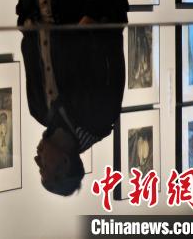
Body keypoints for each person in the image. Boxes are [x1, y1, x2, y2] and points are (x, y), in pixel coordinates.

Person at [22, 27, 125, 196]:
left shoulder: (39, 110)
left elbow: (29, 45)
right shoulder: (101, 117)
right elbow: (113, 51)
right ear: (65, 161)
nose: (37, 159)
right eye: (45, 166)